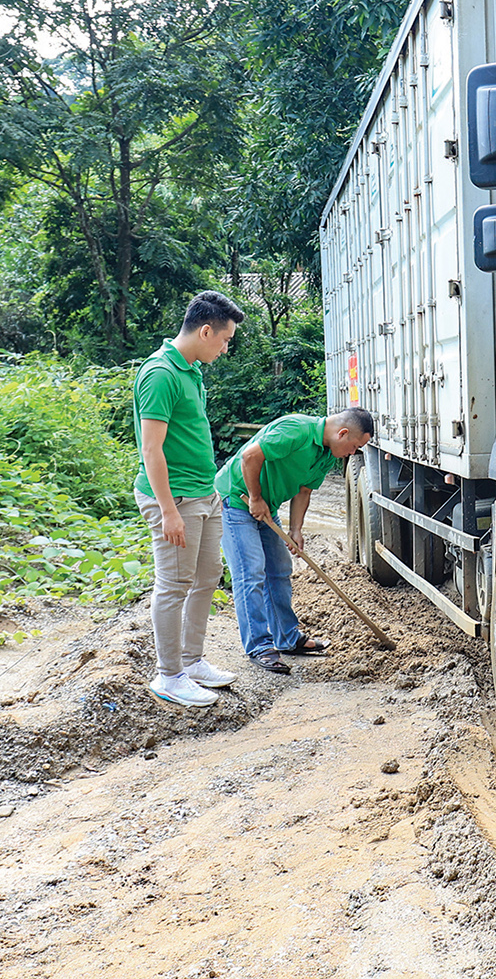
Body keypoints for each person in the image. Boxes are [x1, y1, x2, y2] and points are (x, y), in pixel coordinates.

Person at [133, 291, 245, 707]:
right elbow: (151, 450)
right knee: (173, 584)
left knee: (206, 578)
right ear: (205, 331)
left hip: (204, 492)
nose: (225, 347)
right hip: (175, 498)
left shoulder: (191, 371)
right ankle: (168, 675)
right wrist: (167, 511)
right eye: (225, 339)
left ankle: (192, 660)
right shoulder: (160, 374)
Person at [216, 409, 376, 674]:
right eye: (354, 447)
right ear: (343, 433)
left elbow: (304, 490)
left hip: (267, 507)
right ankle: (258, 646)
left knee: (279, 569)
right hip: (237, 500)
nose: (352, 454)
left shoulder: (326, 454)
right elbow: (250, 456)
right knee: (251, 573)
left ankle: (287, 639)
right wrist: (255, 498)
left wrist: (297, 529)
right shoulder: (296, 430)